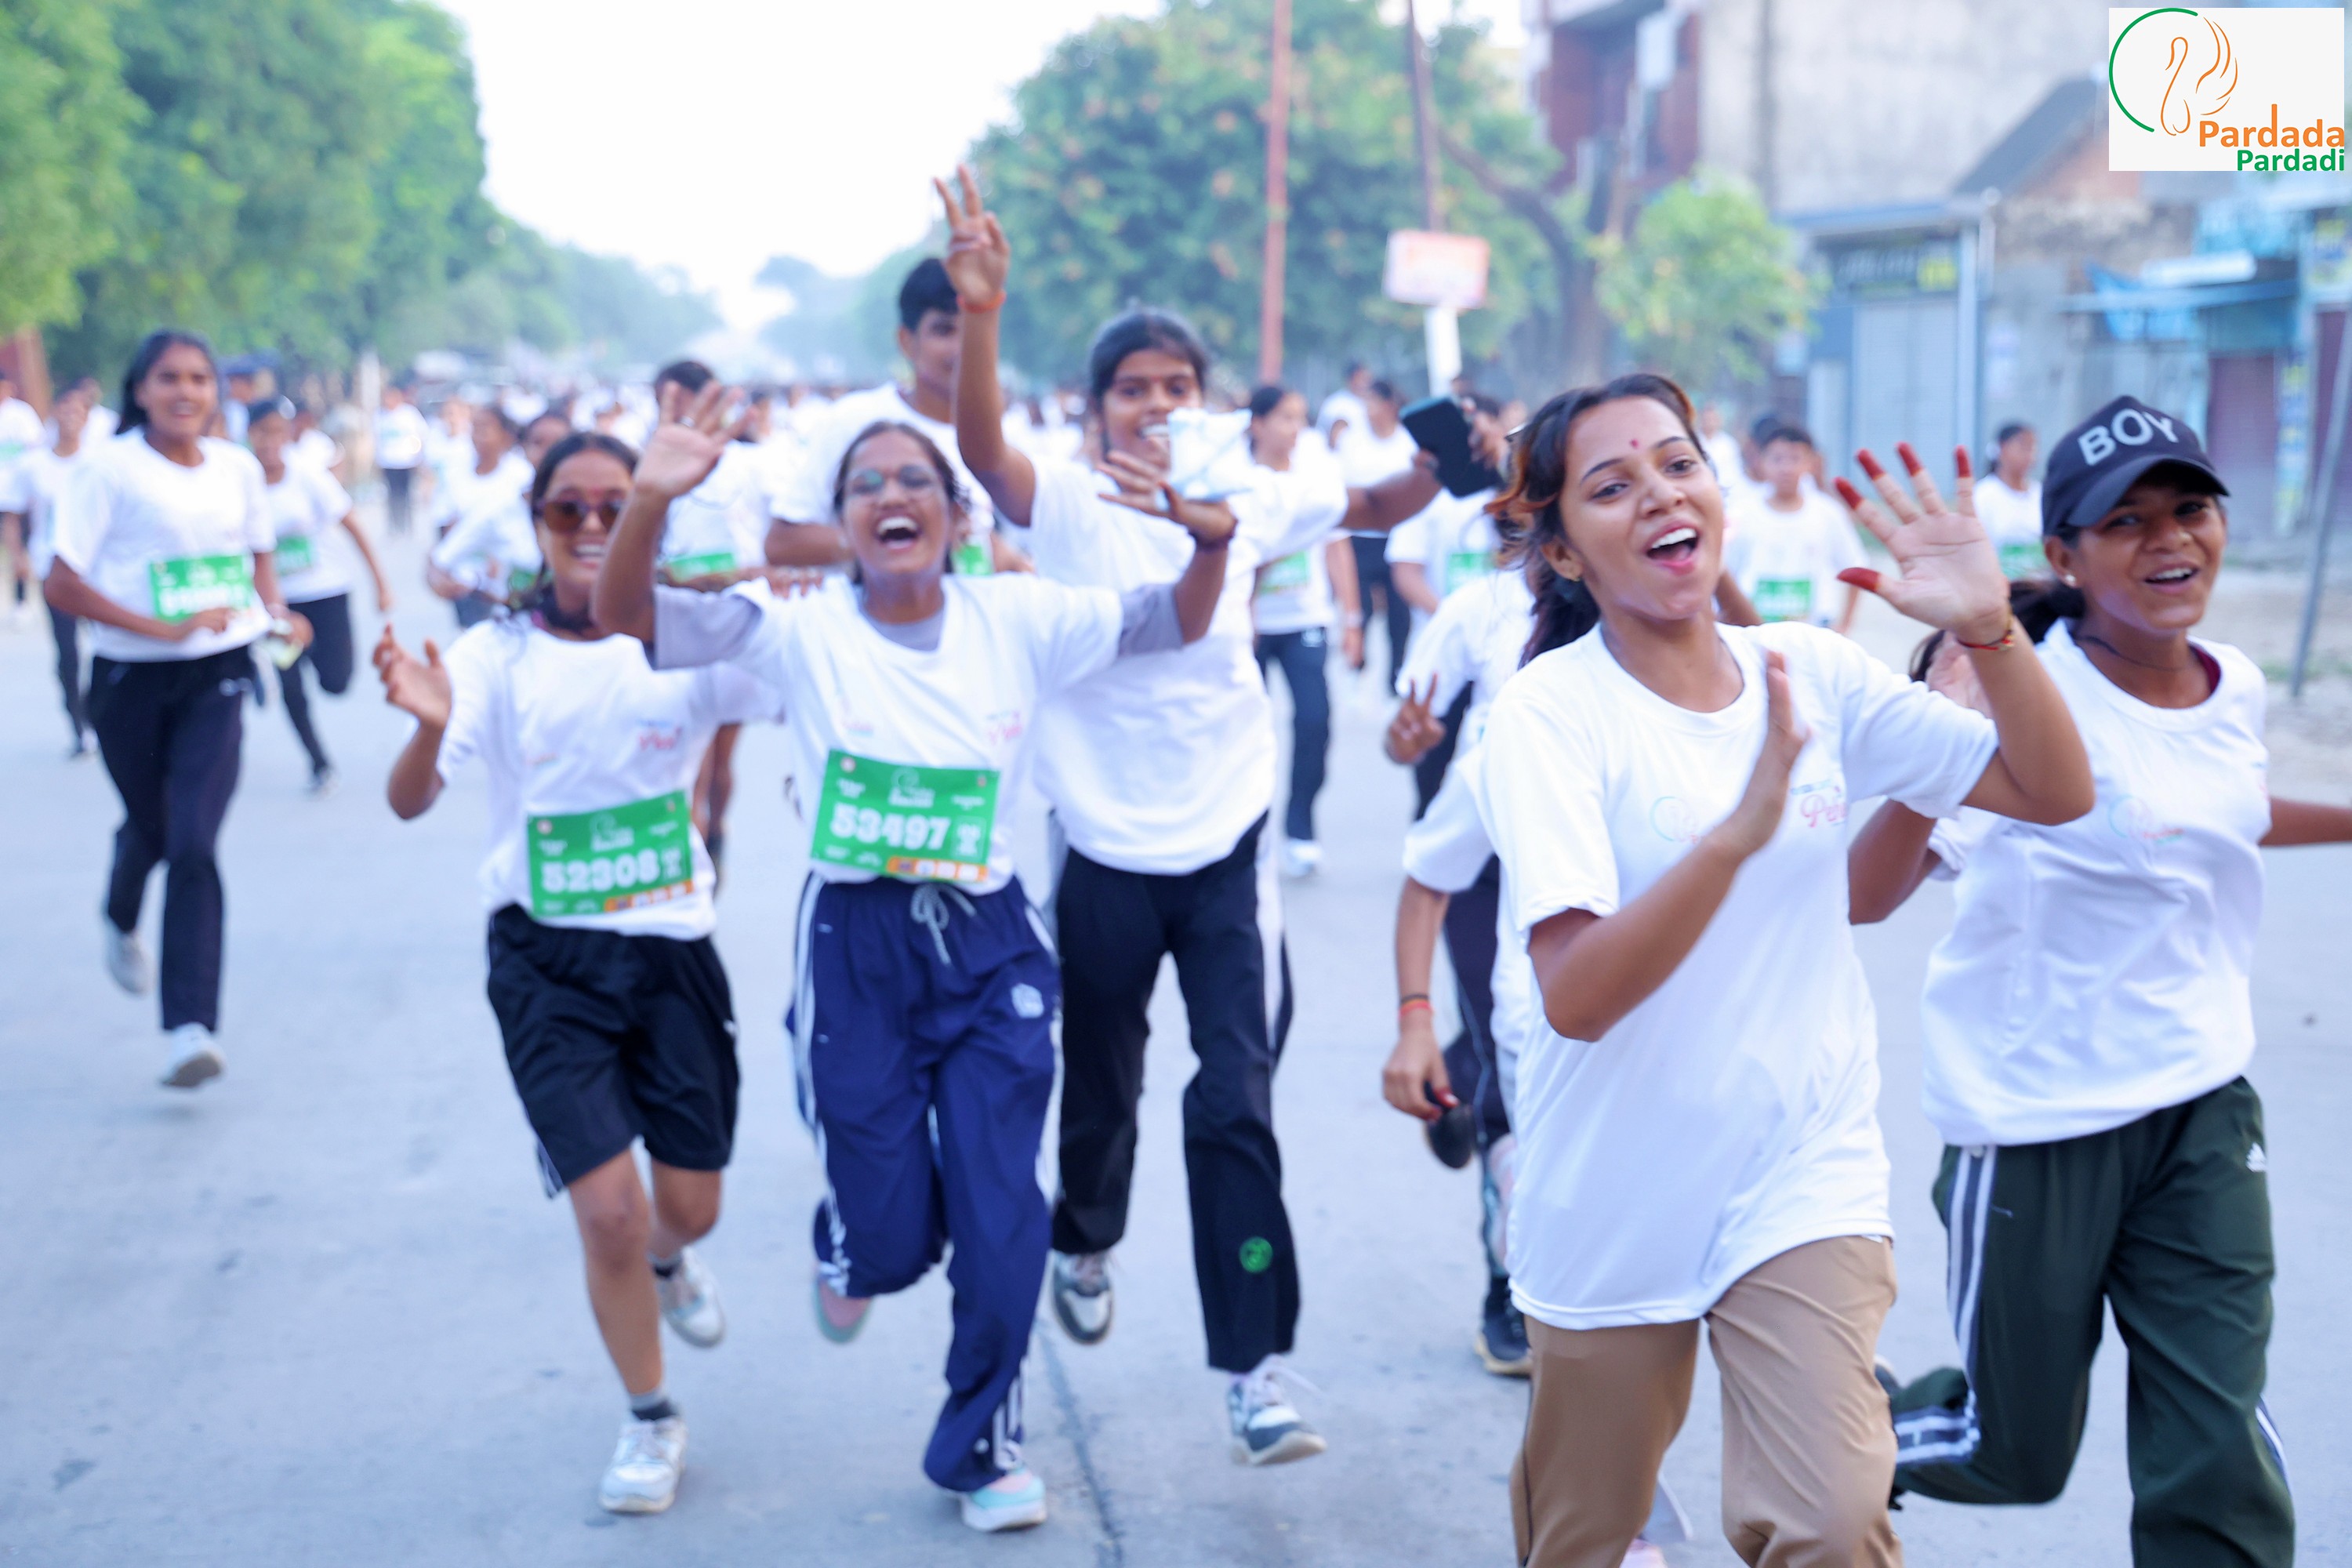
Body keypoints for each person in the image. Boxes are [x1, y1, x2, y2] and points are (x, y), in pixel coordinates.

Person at [1475, 372, 2094, 1568]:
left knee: (1832, 1519)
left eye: (1678, 464)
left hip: (1800, 1171)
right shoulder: (1548, 716)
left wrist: (1988, 628)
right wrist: (1735, 837)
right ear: (1560, 551)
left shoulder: (1814, 670)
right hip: (1613, 1186)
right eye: (1613, 486)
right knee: (1583, 1536)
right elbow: (1578, 995)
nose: (1663, 495)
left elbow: (2055, 791)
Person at [593, 386, 1232, 1529]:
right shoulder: (795, 627)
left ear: (956, 511)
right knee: (889, 1239)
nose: (892, 496)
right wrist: (646, 500)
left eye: (915, 481)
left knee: (1001, 1210)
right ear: (841, 522)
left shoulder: (1018, 617)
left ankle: (982, 1447)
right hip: (857, 947)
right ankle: (854, 1237)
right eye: (867, 485)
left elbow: (1171, 620)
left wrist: (1211, 545)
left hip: (991, 945)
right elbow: (627, 615)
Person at [938, 163, 1437, 1464]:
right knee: (1102, 1083)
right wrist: (982, 311)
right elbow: (982, 453)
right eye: (1133, 388)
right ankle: (1087, 1240)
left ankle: (1256, 1369)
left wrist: (1457, 455)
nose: (1158, 405)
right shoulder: (1065, 500)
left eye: (1177, 385)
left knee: (1236, 1102)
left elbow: (1376, 506)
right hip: (1104, 843)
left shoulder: (1251, 495)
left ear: (1204, 400)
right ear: (1097, 407)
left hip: (1229, 844)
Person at [1845, 397, 2348, 1568]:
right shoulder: (2022, 691)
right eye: (2127, 521)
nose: (2170, 539)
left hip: (2201, 1109)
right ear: (2064, 556)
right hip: (2038, 1120)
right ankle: (1832, 1430)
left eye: (2190, 508)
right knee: (2011, 1450)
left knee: (2217, 1442)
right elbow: (1868, 894)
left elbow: (2216, 812)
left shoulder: (2234, 684)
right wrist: (1945, 729)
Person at [376, 429, 774, 1517]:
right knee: (608, 1214)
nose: (593, 526)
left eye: (615, 507)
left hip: (672, 953)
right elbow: (410, 799)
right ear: (537, 525)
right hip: (546, 961)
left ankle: (670, 1262)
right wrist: (427, 728)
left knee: (687, 1208)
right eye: (569, 510)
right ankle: (651, 1415)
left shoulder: (687, 643)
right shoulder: (496, 656)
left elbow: (817, 679)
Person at [44, 329, 314, 1091]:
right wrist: (157, 628)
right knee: (153, 827)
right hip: (128, 679)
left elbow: (258, 558)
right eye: (169, 378)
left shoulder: (236, 468)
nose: (186, 391)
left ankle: (190, 1026)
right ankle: (119, 910)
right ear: (141, 390)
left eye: (199, 378)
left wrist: (277, 615)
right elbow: (61, 582)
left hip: (217, 676)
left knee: (194, 838)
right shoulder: (108, 471)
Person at [765, 257, 1014, 571]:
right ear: (907, 342)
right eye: (944, 330)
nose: (962, 348)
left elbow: (982, 546)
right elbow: (783, 543)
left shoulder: (995, 440)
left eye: (974, 332)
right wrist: (893, 539)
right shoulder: (855, 420)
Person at [248, 397, 393, 796]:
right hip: (277, 602)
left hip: (326, 592)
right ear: (250, 434)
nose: (269, 442)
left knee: (336, 681)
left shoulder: (308, 476)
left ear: (289, 434)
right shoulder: (241, 481)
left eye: (277, 432)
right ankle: (319, 762)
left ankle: (306, 654)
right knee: (291, 685)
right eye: (261, 433)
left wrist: (380, 583)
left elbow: (353, 525)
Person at [1247, 384, 1360, 877]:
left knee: (1314, 721)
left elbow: (1337, 548)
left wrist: (1352, 618)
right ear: (1257, 424)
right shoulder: (1237, 482)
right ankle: (1247, 832)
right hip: (1249, 627)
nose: (1296, 428)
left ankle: (1300, 827)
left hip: (1305, 621)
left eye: (1300, 417)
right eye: (1285, 418)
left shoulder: (1315, 481)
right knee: (1245, 732)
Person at [2, 381, 98, 755]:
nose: (71, 417)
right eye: (65, 409)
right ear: (55, 413)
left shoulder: (100, 463)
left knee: (107, 645)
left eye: (79, 411)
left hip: (97, 569)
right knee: (68, 651)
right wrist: (19, 556)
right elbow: (14, 515)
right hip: (52, 568)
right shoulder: (35, 466)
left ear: (87, 417)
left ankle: (102, 712)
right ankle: (78, 723)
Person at [1723, 423, 1867, 633]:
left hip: (1814, 632)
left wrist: (1845, 625)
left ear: (1811, 463)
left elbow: (1856, 566)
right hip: (1753, 633)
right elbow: (1723, 571)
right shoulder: (1740, 513)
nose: (1786, 468)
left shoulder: (1828, 513)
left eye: (1795, 459)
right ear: (1761, 461)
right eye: (1777, 459)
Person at [1339, 378, 1421, 689]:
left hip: (1399, 537)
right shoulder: (1352, 440)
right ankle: (1357, 666)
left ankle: (1396, 676)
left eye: (1372, 402)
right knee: (1361, 608)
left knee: (1399, 613)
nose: (1367, 409)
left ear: (1388, 406)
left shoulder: (1408, 440)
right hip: (1360, 538)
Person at [426, 405, 536, 628]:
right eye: (475, 429)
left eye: (486, 428)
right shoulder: (457, 474)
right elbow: (446, 522)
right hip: (464, 577)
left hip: (509, 579)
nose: (478, 436)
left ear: (505, 435)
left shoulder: (521, 475)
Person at [1971, 420, 2045, 579]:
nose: (2030, 454)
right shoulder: (1983, 495)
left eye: (2032, 447)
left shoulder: (2040, 493)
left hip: (2039, 586)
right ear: (2002, 449)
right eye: (2023, 446)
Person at [375, 382, 428, 534]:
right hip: (388, 463)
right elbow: (376, 439)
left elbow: (421, 434)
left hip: (406, 462)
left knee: (406, 495)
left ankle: (407, 526)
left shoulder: (409, 414)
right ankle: (394, 526)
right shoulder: (380, 415)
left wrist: (418, 456)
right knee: (392, 496)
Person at [1316, 361, 1373, 447]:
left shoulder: (1370, 404)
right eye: (1361, 378)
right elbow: (1335, 439)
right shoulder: (1336, 404)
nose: (1366, 383)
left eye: (1367, 378)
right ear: (1351, 379)